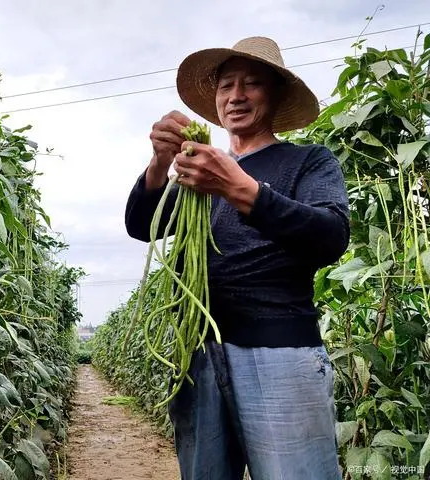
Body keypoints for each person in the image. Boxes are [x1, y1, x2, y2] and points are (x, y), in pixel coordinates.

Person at [124, 36, 350, 479]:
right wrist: (159, 163)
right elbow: (140, 225)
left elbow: (330, 235)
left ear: (276, 94)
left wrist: (238, 187)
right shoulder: (200, 169)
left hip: (280, 351)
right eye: (227, 85)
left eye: (252, 83)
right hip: (199, 353)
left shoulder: (308, 162)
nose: (236, 95)